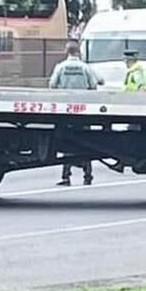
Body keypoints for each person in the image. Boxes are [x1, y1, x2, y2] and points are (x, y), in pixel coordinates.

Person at [49, 41, 98, 186]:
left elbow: (52, 85)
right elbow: (93, 85)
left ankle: (66, 176)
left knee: (67, 144)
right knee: (87, 144)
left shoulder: (61, 67)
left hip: (67, 110)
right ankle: (87, 176)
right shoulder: (84, 67)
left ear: (67, 51)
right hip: (83, 111)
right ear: (78, 52)